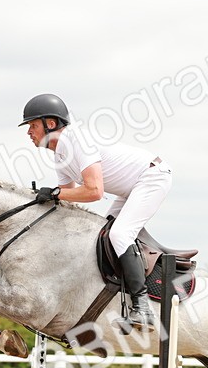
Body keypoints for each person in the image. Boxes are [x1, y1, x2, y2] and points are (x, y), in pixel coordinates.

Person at [19, 93, 173, 332]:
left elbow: (93, 191)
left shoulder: (74, 140)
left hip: (151, 177)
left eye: (32, 125)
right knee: (103, 234)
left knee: (119, 235)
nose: (29, 132)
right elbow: (68, 197)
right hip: (130, 188)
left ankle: (143, 309)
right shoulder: (60, 154)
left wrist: (56, 193)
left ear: (50, 124)